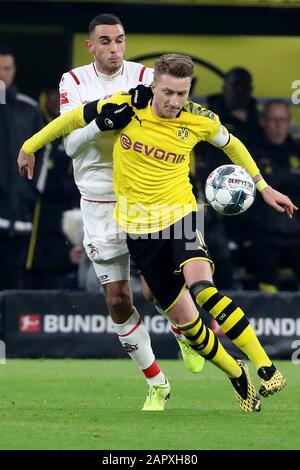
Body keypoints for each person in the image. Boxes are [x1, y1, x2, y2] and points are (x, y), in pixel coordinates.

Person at [18, 53, 295, 413]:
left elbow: (233, 145)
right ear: (153, 86)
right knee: (188, 323)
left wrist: (263, 186)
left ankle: (266, 366)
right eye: (168, 93)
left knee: (203, 289)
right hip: (137, 229)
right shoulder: (125, 105)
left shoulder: (198, 118)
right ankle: (236, 374)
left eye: (182, 93)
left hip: (180, 217)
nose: (175, 102)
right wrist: (29, 146)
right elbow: (71, 118)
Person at [23, 88, 80, 289]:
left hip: (64, 227)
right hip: (32, 223)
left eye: (61, 95)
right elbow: (36, 185)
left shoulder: (76, 133)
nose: (57, 100)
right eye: (52, 94)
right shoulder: (34, 129)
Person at [243, 100, 300, 291]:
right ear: (262, 121)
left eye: (282, 120)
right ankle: (268, 310)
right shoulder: (250, 154)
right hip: (263, 231)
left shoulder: (297, 152)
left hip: (296, 229)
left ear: (289, 121)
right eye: (273, 119)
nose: (278, 125)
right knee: (262, 252)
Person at [0, 46, 43, 289]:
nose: (2, 75)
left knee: (13, 287)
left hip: (21, 217)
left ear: (14, 70)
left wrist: (32, 191)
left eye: (6, 69)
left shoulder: (29, 110)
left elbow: (44, 156)